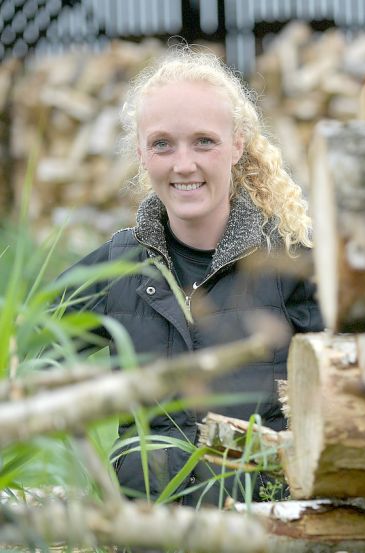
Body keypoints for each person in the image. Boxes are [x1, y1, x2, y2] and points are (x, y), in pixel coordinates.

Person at [64, 46, 323, 505]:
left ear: (237, 145)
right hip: (148, 531)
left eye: (204, 141)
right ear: (142, 153)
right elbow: (27, 352)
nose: (184, 164)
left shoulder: (291, 266)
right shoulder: (117, 264)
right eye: (163, 143)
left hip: (259, 529)